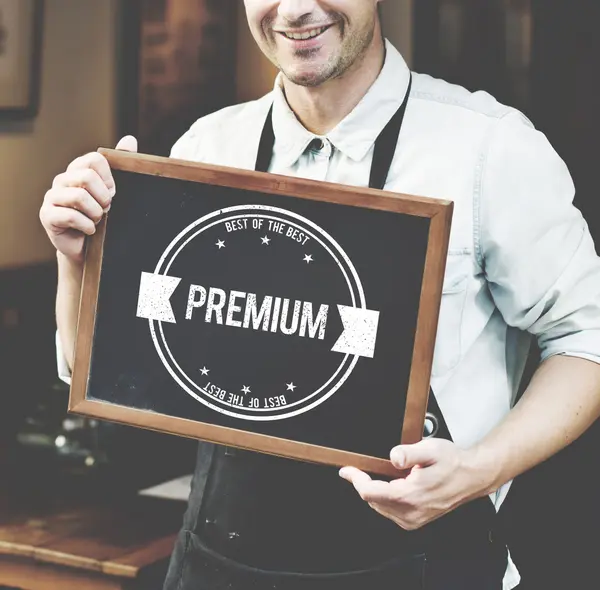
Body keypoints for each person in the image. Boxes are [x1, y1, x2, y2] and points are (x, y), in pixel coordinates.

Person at [39, 1, 600, 589]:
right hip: (220, 566)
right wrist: (74, 257)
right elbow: (95, 370)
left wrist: (481, 470)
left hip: (426, 568)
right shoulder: (207, 148)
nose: (297, 7)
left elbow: (585, 340)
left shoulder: (489, 149)